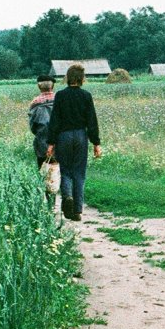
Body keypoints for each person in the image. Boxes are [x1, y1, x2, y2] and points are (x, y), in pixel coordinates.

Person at [44, 63, 103, 221]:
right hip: (80, 136)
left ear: (68, 78)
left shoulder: (61, 96)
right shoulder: (86, 96)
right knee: (79, 173)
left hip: (64, 137)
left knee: (66, 171)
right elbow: (92, 121)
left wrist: (51, 143)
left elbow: (54, 121)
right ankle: (77, 211)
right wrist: (96, 143)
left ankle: (68, 197)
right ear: (82, 78)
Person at [28, 74, 57, 168]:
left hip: (42, 140)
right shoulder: (59, 99)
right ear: (52, 86)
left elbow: (33, 126)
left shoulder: (35, 102)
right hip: (60, 140)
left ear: (39, 86)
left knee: (43, 169)